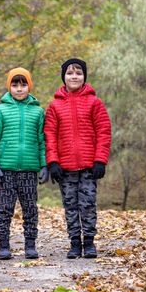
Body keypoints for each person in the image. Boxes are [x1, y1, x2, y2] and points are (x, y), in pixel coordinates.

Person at [44, 58, 111, 259]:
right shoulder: (55, 106)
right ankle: (74, 243)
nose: (74, 76)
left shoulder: (94, 102)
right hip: (65, 168)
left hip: (89, 167)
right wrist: (53, 162)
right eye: (70, 73)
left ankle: (89, 242)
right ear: (63, 77)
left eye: (78, 73)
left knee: (88, 204)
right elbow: (49, 135)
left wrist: (100, 160)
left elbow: (104, 132)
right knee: (70, 206)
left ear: (84, 77)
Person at [0, 67, 49, 260]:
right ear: (9, 86)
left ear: (29, 86)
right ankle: (3, 246)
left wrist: (44, 165)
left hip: (29, 170)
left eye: (23, 84)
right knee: (4, 209)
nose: (19, 89)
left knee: (30, 209)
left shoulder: (38, 112)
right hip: (6, 170)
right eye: (15, 84)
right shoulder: (0, 110)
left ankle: (30, 245)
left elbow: (42, 140)